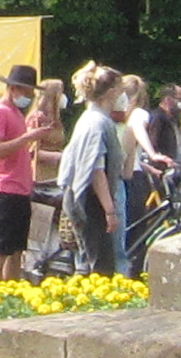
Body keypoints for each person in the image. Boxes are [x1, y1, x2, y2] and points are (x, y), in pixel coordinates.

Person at [52, 66, 126, 279]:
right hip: (89, 201)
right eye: (120, 90)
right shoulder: (96, 122)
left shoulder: (94, 119)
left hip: (87, 199)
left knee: (92, 261)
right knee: (100, 267)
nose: (123, 96)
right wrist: (109, 210)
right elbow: (95, 169)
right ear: (110, 91)